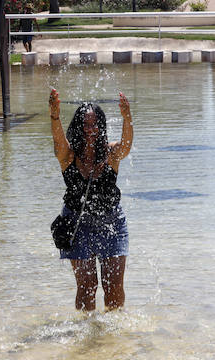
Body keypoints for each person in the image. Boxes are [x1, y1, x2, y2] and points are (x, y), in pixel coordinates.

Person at [49, 88, 134, 311]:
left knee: (113, 288)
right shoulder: (68, 156)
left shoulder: (111, 154)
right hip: (77, 225)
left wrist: (127, 118)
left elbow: (125, 147)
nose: (91, 130)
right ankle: (86, 335)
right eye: (86, 125)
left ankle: (111, 339)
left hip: (111, 224)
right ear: (78, 126)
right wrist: (55, 117)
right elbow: (59, 143)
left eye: (95, 124)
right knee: (87, 287)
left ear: (102, 126)